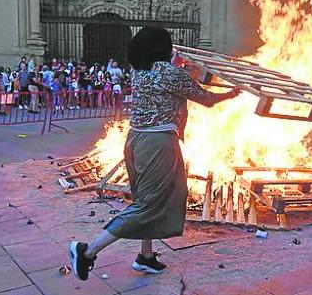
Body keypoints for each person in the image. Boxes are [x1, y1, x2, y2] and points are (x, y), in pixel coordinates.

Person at [68, 27, 241, 281]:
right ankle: (87, 251)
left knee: (145, 199)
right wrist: (233, 93)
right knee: (149, 205)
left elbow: (178, 78)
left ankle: (145, 256)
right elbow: (207, 99)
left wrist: (181, 64)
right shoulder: (171, 74)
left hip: (136, 140)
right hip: (158, 143)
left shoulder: (139, 71)